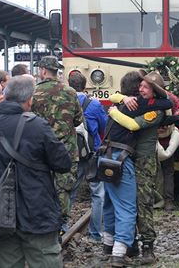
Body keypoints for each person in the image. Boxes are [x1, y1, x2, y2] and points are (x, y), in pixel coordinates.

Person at [0, 76, 71, 268]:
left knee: (7, 261)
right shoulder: (38, 126)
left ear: (4, 96)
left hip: (1, 211)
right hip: (37, 209)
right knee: (45, 259)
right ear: (29, 99)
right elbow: (63, 163)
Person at [101, 71, 173, 267]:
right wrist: (123, 98)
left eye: (145, 87)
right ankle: (128, 243)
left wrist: (113, 111)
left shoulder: (155, 111)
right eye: (140, 86)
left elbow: (133, 125)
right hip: (130, 158)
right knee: (127, 202)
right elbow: (113, 96)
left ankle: (147, 245)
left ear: (154, 91)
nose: (140, 89)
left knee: (143, 203)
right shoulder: (140, 103)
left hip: (143, 160)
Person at [32, 56, 83, 234]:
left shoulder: (34, 93)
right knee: (64, 188)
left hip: (41, 149)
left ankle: (44, 221)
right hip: (66, 149)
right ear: (56, 71)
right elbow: (78, 120)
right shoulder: (70, 92)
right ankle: (61, 224)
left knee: (42, 185)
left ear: (43, 70)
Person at [68, 71, 107, 242]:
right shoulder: (94, 104)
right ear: (85, 86)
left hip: (72, 154)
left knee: (69, 191)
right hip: (92, 152)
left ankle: (62, 229)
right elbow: (104, 126)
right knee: (98, 193)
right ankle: (95, 234)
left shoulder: (65, 102)